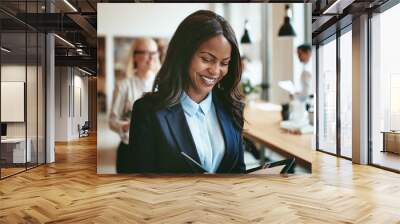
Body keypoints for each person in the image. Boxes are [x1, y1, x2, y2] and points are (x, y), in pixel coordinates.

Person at [128, 10, 246, 173]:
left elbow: (238, 170)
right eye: (206, 59)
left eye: (224, 63)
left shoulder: (232, 108)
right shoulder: (147, 111)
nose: (215, 71)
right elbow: (140, 181)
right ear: (183, 54)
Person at [109, 38, 160, 173]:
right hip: (129, 150)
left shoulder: (163, 84)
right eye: (146, 53)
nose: (151, 58)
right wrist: (126, 126)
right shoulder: (123, 85)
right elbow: (112, 121)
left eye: (154, 53)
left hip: (157, 150)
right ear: (135, 56)